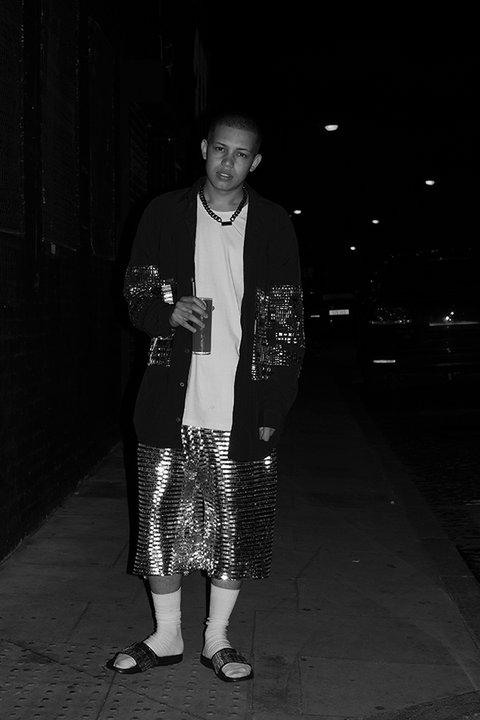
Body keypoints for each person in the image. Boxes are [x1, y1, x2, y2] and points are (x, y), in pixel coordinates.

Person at [107, 110, 305, 682]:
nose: (228, 163)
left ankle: (217, 637)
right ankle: (166, 634)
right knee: (161, 524)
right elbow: (136, 291)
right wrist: (165, 313)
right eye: (220, 149)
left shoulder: (272, 224)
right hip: (171, 399)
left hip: (243, 404)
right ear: (203, 149)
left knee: (235, 527)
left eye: (241, 154)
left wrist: (273, 407)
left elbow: (285, 322)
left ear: (255, 162)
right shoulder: (165, 213)